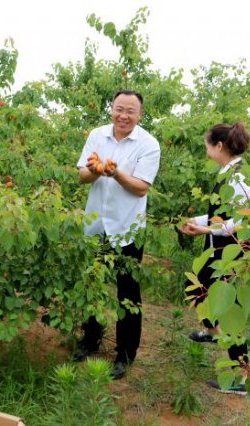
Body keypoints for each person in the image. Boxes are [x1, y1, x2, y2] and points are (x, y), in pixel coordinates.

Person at [75, 90, 161, 379]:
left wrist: (115, 173)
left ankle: (125, 354)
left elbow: (141, 187)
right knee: (92, 284)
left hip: (127, 228)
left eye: (130, 111)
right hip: (96, 224)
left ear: (140, 115)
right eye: (119, 109)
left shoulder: (148, 144)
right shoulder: (97, 135)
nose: (123, 116)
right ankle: (90, 339)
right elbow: (82, 176)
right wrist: (96, 171)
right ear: (111, 109)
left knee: (128, 291)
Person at [180, 122, 250, 395]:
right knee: (196, 289)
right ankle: (213, 333)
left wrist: (206, 230)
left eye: (207, 144)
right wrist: (198, 221)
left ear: (219, 146)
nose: (206, 149)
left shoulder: (239, 177)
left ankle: (243, 378)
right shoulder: (228, 172)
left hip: (231, 255)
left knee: (229, 313)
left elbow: (242, 221)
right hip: (218, 251)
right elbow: (220, 214)